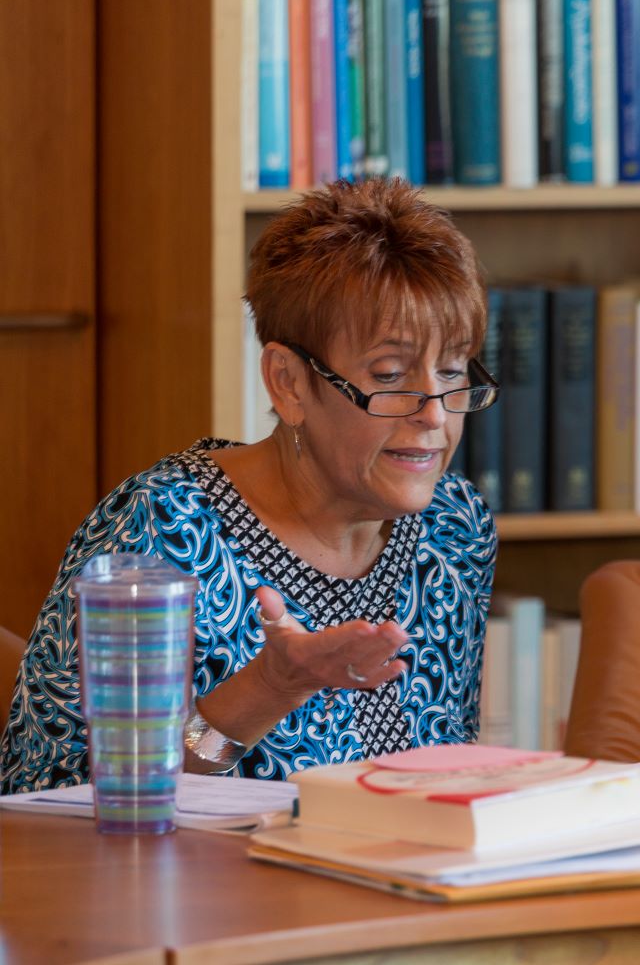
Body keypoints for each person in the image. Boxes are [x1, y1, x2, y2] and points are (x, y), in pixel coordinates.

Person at [1, 179, 499, 793]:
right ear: (288, 382)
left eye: (451, 371)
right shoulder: (161, 530)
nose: (434, 415)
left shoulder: (454, 526)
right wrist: (271, 687)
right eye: (391, 375)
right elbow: (60, 794)